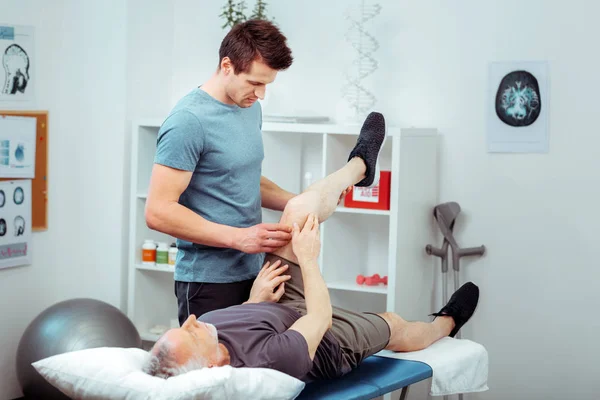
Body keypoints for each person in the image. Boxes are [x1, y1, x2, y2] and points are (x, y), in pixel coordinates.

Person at [143, 112, 480, 381]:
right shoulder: (271, 358)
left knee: (299, 209)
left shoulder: (209, 330)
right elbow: (320, 317)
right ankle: (447, 323)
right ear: (212, 365)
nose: (188, 321)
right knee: (394, 323)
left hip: (276, 307)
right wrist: (307, 259)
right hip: (325, 340)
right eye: (190, 334)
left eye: (182, 327)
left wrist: (255, 300)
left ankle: (359, 165)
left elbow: (243, 325)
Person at [145, 20, 352, 323]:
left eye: (267, 84)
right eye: (255, 83)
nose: (262, 94)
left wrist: (301, 203)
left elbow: (241, 179)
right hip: (208, 281)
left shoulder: (249, 107)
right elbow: (158, 211)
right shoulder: (188, 121)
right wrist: (238, 238)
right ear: (226, 65)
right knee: (214, 369)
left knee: (259, 366)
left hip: (254, 271)